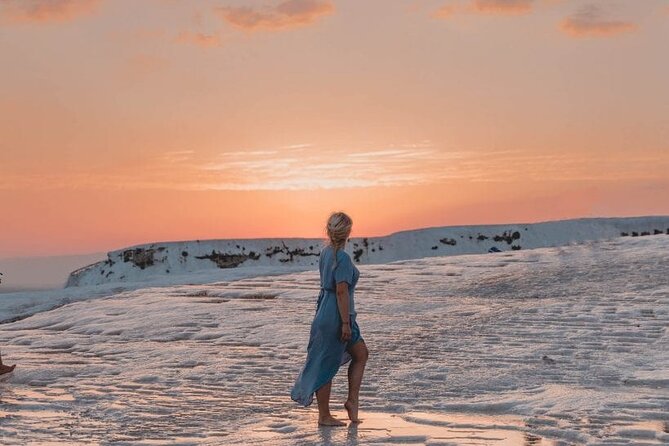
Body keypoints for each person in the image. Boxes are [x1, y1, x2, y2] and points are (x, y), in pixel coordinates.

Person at [290, 211, 369, 426]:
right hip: (336, 314)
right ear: (348, 232)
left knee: (360, 353)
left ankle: (352, 401)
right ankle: (324, 416)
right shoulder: (340, 257)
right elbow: (341, 291)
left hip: (328, 310)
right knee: (326, 362)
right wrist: (344, 323)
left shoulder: (326, 253)